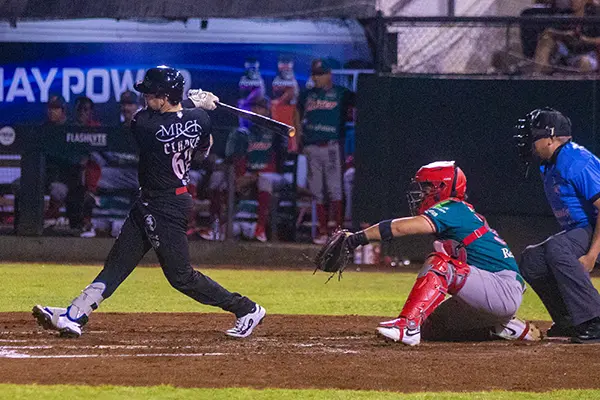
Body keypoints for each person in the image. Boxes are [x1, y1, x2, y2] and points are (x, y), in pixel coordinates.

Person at [33, 65, 265, 339]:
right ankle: (75, 314)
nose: (146, 97)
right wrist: (198, 105)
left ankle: (246, 309)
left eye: (152, 93)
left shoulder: (145, 123)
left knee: (181, 277)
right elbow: (203, 149)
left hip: (166, 206)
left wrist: (192, 103)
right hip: (150, 201)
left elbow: (173, 124)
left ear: (166, 96)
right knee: (117, 265)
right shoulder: (200, 119)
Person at [320, 161, 539, 346]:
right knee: (432, 327)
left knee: (439, 263)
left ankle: (407, 327)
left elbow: (401, 228)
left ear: (443, 187)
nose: (421, 194)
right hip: (495, 291)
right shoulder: (460, 212)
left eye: (427, 188)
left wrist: (357, 238)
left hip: (502, 287)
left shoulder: (453, 207)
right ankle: (504, 327)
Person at [513, 107, 600, 343]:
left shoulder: (575, 160)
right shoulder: (552, 162)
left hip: (593, 229)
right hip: (585, 229)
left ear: (551, 137)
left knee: (558, 247)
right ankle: (570, 320)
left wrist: (592, 255)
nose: (530, 143)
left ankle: (595, 319)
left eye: (533, 136)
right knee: (532, 260)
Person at [295, 58, 355, 244]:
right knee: (317, 191)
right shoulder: (307, 94)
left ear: (329, 74)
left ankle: (338, 231)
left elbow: (357, 105)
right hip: (312, 145)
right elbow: (296, 112)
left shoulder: (341, 93)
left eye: (320, 74)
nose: (316, 78)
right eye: (314, 74)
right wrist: (298, 136)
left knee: (335, 189)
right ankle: (322, 230)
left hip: (332, 145)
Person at [224, 96, 287, 242]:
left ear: (268, 111)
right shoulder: (245, 132)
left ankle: (260, 228)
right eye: (255, 108)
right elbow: (239, 158)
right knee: (225, 180)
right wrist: (243, 176)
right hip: (251, 176)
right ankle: (221, 227)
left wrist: (256, 176)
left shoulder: (276, 132)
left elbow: (279, 162)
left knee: (264, 180)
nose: (257, 111)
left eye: (261, 108)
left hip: (273, 176)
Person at [533, 0, 600, 74]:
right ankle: (539, 73)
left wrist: (585, 39)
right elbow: (548, 31)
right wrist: (564, 35)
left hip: (588, 53)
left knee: (584, 61)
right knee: (546, 38)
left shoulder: (594, 16)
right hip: (568, 51)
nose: (573, 1)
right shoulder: (565, 15)